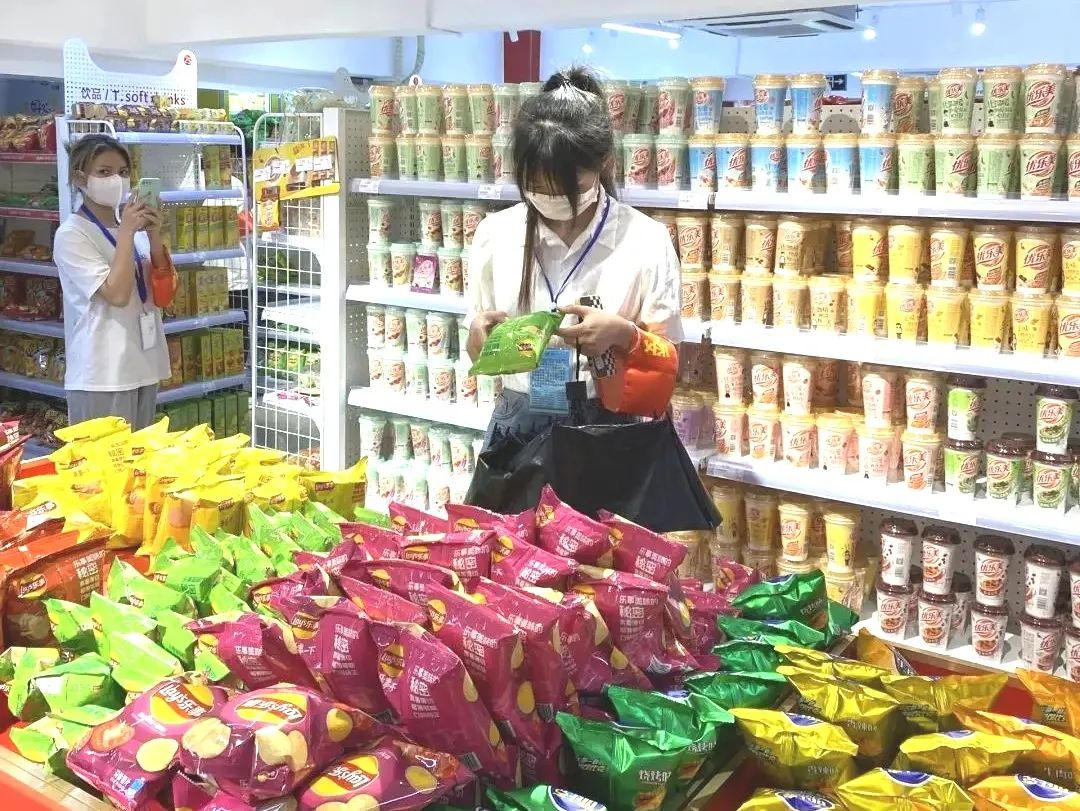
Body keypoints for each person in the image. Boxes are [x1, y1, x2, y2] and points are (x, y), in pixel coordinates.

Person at [466, 67, 682, 446]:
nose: (551, 200)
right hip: (518, 422)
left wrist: (624, 334)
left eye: (568, 187)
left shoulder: (646, 239)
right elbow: (475, 347)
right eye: (536, 187)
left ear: (605, 163)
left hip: (609, 426)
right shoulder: (495, 235)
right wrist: (479, 340)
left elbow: (668, 359)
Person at [54, 134, 175, 429]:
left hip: (145, 365)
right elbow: (117, 295)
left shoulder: (131, 229)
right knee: (104, 458)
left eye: (122, 172)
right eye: (104, 172)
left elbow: (163, 295)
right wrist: (127, 234)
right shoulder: (72, 234)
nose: (116, 180)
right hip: (103, 374)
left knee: (142, 457)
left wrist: (153, 234)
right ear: (80, 179)